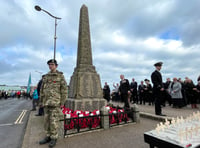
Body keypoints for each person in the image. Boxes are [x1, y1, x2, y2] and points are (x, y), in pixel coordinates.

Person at [39, 59, 67, 148]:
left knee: (54, 121)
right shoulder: (45, 77)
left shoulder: (60, 76)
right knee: (46, 121)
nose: (50, 66)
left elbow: (64, 90)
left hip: (55, 103)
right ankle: (48, 136)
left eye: (52, 64)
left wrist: (62, 102)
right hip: (46, 103)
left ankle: (54, 138)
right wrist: (41, 101)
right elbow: (42, 90)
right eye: (49, 64)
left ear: (56, 66)